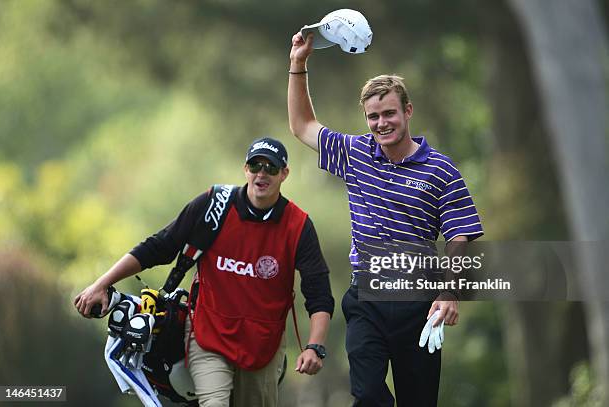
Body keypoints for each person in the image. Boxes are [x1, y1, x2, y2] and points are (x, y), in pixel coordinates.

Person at [288, 32, 483, 407]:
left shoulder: (441, 170)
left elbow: (459, 235)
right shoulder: (355, 152)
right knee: (367, 395)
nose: (381, 123)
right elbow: (301, 125)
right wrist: (298, 63)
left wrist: (448, 292)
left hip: (418, 301)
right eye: (373, 117)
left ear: (407, 111)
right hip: (366, 297)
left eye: (389, 113)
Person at [74, 137, 334, 407]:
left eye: (271, 168)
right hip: (208, 338)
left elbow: (318, 293)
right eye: (256, 165)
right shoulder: (214, 204)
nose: (262, 174)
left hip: (263, 348)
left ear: (284, 174)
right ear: (245, 169)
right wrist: (102, 283)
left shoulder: (298, 225)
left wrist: (315, 346)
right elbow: (159, 246)